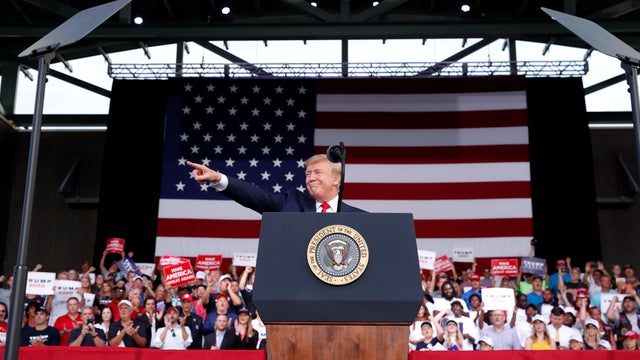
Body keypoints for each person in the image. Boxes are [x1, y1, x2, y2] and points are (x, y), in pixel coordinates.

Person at [187, 154, 366, 213]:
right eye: (308, 173)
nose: (310, 178)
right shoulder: (291, 202)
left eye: (318, 173)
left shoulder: (360, 218)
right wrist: (218, 178)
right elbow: (255, 196)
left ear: (336, 179)